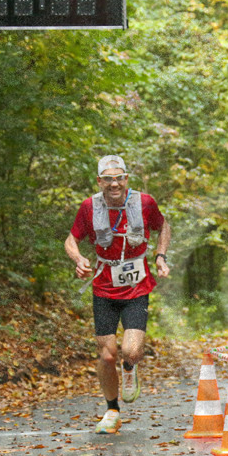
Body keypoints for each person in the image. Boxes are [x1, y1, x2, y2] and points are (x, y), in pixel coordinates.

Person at [64, 155, 171, 434]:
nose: (114, 183)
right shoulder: (89, 207)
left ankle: (130, 366)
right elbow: (71, 239)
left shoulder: (144, 202)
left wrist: (160, 257)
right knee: (106, 355)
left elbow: (164, 226)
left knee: (130, 351)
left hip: (137, 287)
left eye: (119, 177)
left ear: (126, 179)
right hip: (103, 285)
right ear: (99, 181)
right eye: (108, 178)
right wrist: (77, 259)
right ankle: (112, 411)